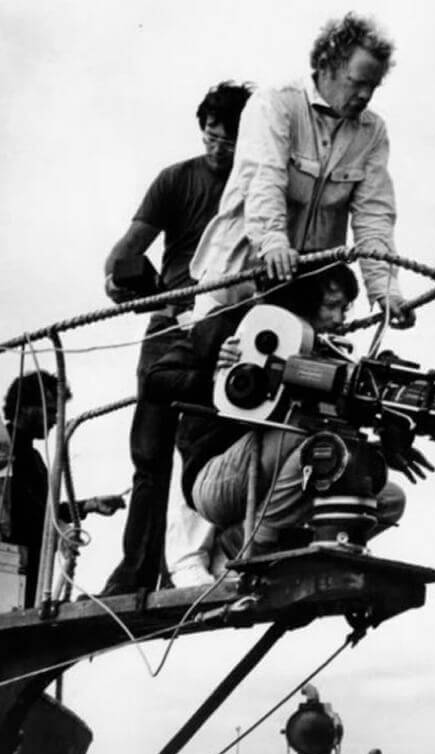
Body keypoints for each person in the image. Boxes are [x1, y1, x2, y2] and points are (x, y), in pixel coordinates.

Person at [144, 265, 429, 558]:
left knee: (387, 498)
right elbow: (155, 380)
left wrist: (386, 439)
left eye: (344, 309)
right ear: (304, 299)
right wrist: (218, 375)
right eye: (331, 306)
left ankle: (296, 549)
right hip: (216, 478)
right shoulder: (236, 325)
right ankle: (255, 538)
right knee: (312, 427)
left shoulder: (329, 349)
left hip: (275, 468)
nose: (338, 318)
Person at [100, 81, 254, 596]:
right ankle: (136, 570)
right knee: (149, 454)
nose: (218, 148)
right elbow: (123, 254)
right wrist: (133, 286)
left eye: (229, 140)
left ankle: (191, 562)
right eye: (211, 136)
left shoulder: (258, 187)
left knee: (204, 448)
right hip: (170, 325)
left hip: (223, 327)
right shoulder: (176, 179)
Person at [189, 13, 415, 331]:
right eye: (357, 82)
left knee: (306, 360)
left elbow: (374, 216)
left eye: (373, 86)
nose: (365, 95)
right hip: (237, 278)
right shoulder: (274, 104)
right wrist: (272, 241)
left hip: (304, 292)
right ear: (326, 66)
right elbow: (264, 178)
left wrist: (385, 290)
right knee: (215, 354)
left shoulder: (372, 132)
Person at [2, 372, 125, 607]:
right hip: (9, 572)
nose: (55, 420)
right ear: (25, 408)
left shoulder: (34, 459)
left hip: (25, 574)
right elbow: (19, 508)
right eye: (50, 411)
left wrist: (88, 505)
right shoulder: (3, 447)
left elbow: (42, 509)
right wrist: (63, 529)